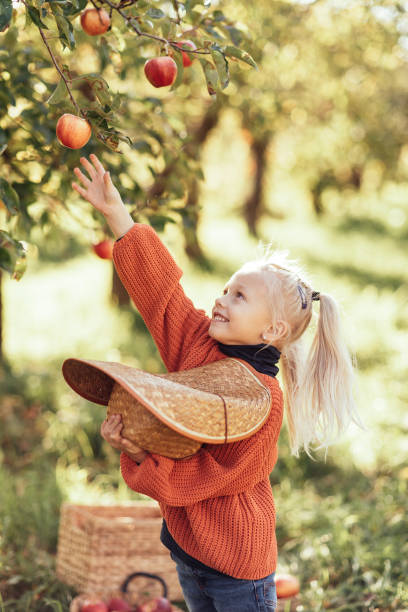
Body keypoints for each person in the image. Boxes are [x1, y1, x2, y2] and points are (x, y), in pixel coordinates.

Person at [71, 154, 361, 612]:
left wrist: (144, 455)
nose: (221, 300)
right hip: (188, 550)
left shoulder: (261, 400)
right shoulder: (197, 341)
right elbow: (160, 293)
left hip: (236, 565)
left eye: (239, 296)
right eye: (226, 289)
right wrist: (116, 215)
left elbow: (208, 477)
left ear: (272, 332)